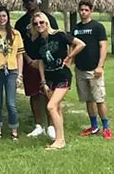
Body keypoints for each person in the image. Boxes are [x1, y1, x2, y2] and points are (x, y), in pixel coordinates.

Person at [31, 12, 85, 150]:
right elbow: (41, 62)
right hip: (49, 79)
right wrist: (43, 82)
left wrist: (69, 57)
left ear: (47, 22)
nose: (39, 25)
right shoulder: (38, 41)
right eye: (36, 23)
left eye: (41, 22)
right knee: (57, 108)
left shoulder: (59, 35)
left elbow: (80, 44)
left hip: (63, 76)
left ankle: (60, 141)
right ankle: (60, 138)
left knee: (50, 106)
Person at [15, 0, 58, 139]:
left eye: (32, 0)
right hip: (30, 62)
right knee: (33, 94)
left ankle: (52, 125)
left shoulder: (49, 18)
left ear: (37, 1)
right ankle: (38, 125)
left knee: (49, 92)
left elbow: (55, 39)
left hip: (47, 61)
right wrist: (28, 59)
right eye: (26, 1)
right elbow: (19, 44)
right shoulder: (20, 23)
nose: (29, 3)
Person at [72, 0, 112, 139]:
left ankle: (106, 127)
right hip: (80, 69)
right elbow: (73, 46)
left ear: (91, 11)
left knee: (99, 99)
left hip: (94, 70)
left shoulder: (98, 27)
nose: (83, 12)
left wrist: (100, 66)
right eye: (81, 10)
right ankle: (94, 126)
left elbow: (103, 47)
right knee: (88, 99)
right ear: (78, 10)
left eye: (86, 10)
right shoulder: (76, 28)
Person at [0, 7, 24, 141]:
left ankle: (14, 131)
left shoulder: (15, 34)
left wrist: (20, 74)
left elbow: (19, 56)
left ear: (8, 17)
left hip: (11, 70)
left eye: (4, 16)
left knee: (11, 103)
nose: (2, 19)